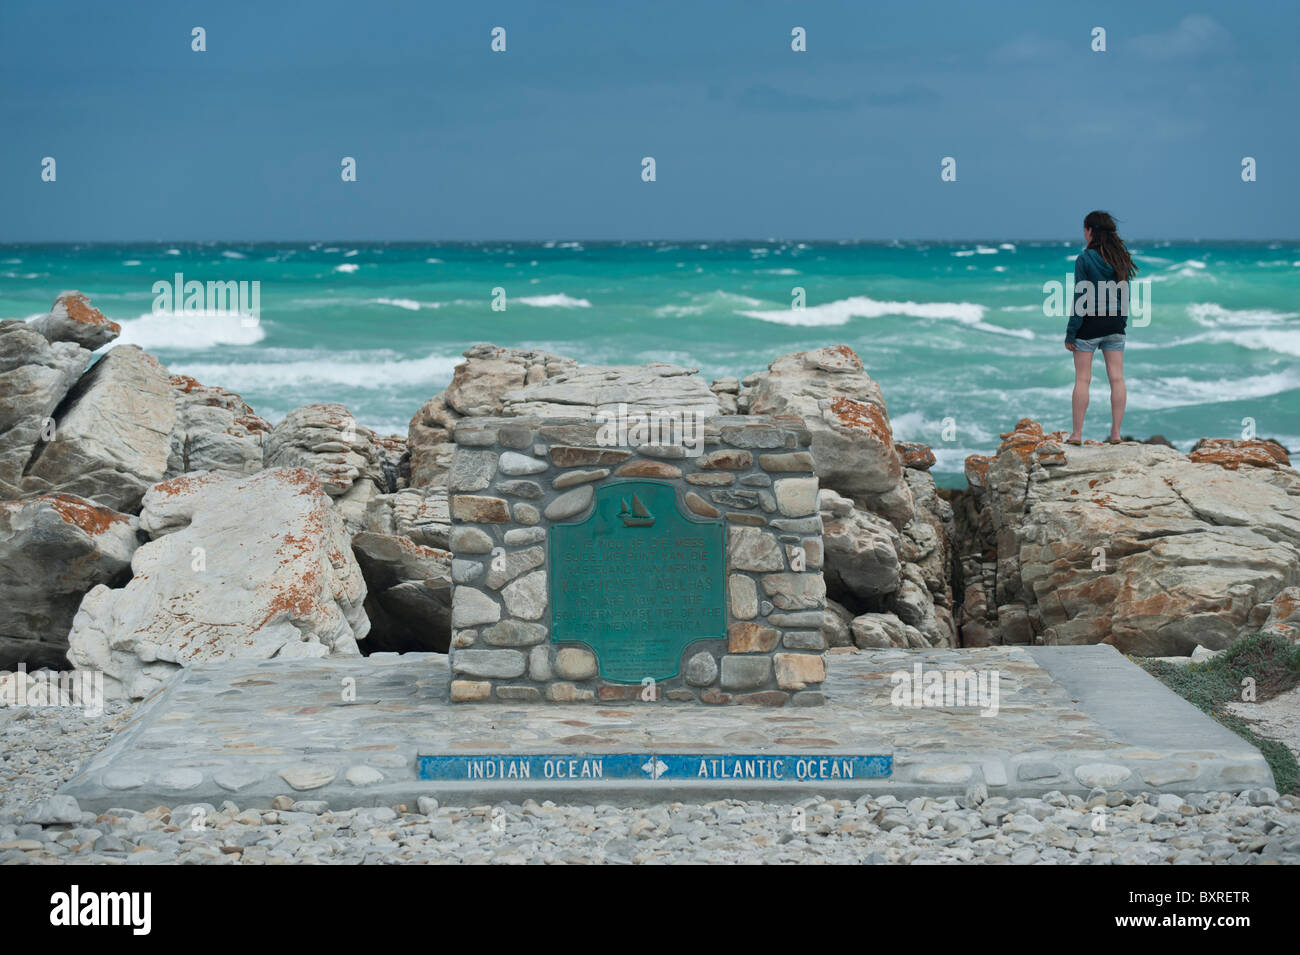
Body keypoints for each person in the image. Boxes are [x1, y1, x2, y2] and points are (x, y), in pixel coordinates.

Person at [1064, 210, 1139, 445]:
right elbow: (1125, 295)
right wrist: (1121, 322)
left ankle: (1077, 434)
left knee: (1082, 380)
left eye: (1084, 230)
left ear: (1090, 232)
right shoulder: (1121, 259)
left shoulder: (1084, 259)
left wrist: (1071, 333)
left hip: (1090, 325)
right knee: (1117, 379)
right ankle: (1116, 434)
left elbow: (1080, 298)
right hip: (1115, 322)